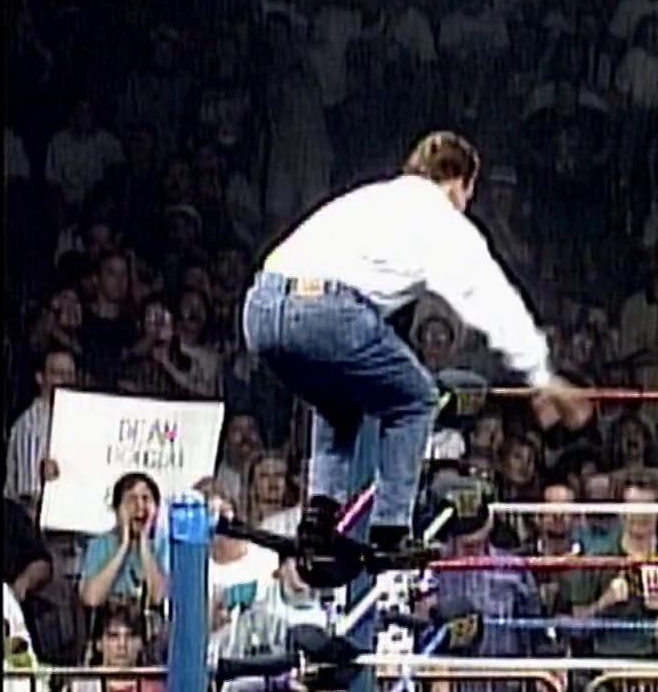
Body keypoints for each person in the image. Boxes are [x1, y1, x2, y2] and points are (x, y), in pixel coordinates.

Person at [243, 130, 591, 554]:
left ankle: (319, 520)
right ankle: (391, 530)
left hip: (261, 309)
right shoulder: (436, 214)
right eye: (468, 192)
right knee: (417, 398)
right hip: (326, 312)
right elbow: (488, 294)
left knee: (338, 400)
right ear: (459, 181)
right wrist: (541, 373)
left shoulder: (371, 197)